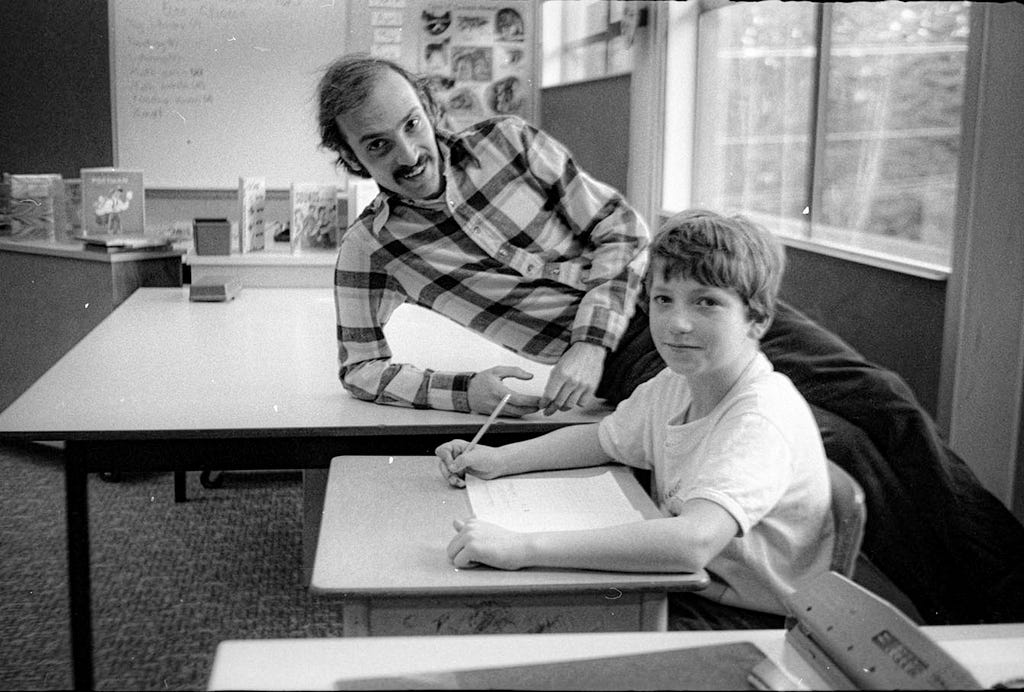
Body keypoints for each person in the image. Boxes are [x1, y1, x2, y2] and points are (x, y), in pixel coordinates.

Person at [436, 210, 834, 628]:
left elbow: (693, 541)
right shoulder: (679, 382)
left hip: (741, 617)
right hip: (685, 585)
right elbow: (604, 438)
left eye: (707, 302)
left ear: (757, 320)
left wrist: (524, 547)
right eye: (664, 300)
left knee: (528, 625)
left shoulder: (760, 416)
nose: (677, 324)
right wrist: (499, 459)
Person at [318, 54, 658, 418]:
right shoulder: (371, 247)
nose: (409, 154)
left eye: (412, 124)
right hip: (628, 369)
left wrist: (590, 343)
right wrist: (463, 391)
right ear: (350, 157)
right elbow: (360, 370)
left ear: (429, 109)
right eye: (377, 145)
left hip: (667, 295)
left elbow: (621, 228)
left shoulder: (510, 142)